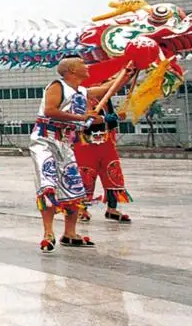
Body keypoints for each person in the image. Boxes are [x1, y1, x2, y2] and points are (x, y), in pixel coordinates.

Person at [30, 57, 132, 253]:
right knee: (48, 184)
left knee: (74, 186)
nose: (86, 67)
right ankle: (48, 232)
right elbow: (51, 111)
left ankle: (70, 233)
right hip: (45, 141)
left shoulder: (81, 92)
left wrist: (128, 73)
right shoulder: (57, 86)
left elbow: (107, 88)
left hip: (66, 143)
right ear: (71, 70)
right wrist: (81, 117)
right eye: (82, 64)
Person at [74, 96, 132, 223]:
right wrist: (110, 117)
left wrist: (119, 116)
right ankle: (81, 209)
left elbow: (111, 119)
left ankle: (112, 209)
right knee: (86, 175)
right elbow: (87, 120)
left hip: (107, 141)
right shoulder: (84, 94)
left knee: (113, 173)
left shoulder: (107, 97)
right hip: (86, 142)